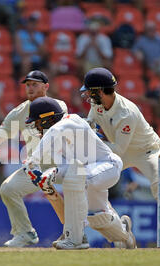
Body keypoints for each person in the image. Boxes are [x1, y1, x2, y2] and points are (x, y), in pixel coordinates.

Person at [81, 67, 160, 248]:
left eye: (90, 91)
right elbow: (92, 125)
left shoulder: (126, 112)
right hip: (118, 150)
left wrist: (92, 143)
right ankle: (121, 231)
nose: (88, 96)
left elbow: (118, 149)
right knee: (88, 180)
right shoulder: (97, 104)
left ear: (100, 91)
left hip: (147, 151)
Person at [0, 70, 68, 247]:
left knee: (80, 192)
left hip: (64, 162)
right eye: (28, 85)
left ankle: (107, 229)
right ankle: (25, 233)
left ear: (46, 87)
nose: (30, 88)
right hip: (37, 166)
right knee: (8, 189)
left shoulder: (59, 106)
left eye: (35, 84)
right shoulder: (19, 113)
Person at [23, 96, 136, 250]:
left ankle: (75, 238)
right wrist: (50, 174)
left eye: (37, 123)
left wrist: (33, 160)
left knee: (75, 176)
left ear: (47, 119)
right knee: (98, 218)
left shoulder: (72, 120)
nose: (36, 128)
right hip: (88, 176)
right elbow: (66, 168)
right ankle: (125, 234)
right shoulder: (56, 143)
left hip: (108, 166)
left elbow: (57, 130)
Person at [14, 14, 47, 79]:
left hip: (38, 60)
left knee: (51, 67)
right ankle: (24, 82)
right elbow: (20, 52)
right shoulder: (19, 34)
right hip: (23, 59)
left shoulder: (40, 35)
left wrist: (35, 41)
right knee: (26, 61)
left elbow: (44, 53)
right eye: (30, 23)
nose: (32, 25)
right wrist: (35, 52)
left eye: (34, 23)